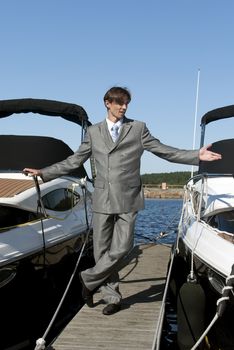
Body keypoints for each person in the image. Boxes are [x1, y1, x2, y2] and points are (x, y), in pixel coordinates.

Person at [23, 86, 222, 316]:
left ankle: (88, 280)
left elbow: (163, 151)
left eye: (126, 103)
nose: (123, 107)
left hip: (128, 197)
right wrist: (44, 172)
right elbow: (75, 160)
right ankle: (112, 297)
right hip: (102, 198)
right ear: (107, 103)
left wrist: (195, 155)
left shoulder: (137, 128)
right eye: (119, 102)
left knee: (124, 248)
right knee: (101, 251)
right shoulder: (94, 132)